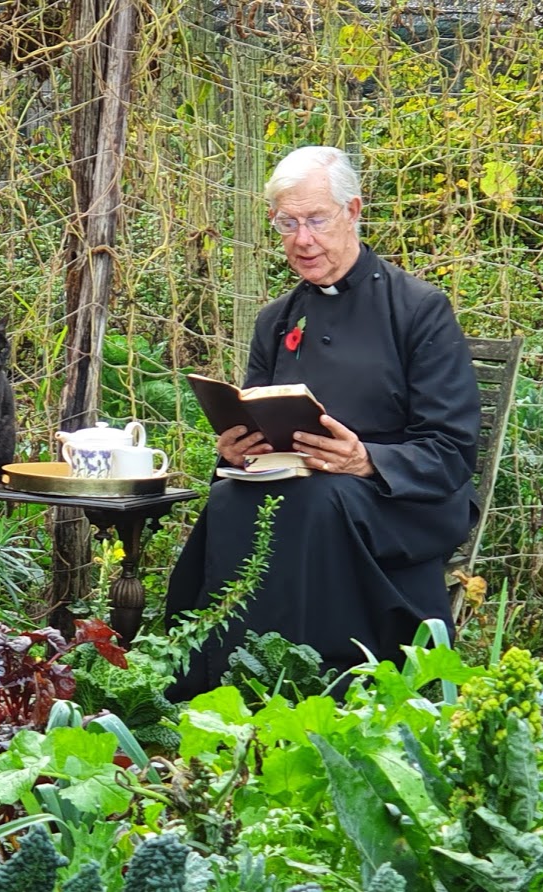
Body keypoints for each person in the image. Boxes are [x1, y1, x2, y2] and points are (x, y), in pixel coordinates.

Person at [164, 145, 481, 699]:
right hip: (299, 487)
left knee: (316, 501)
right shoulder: (276, 320)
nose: (302, 240)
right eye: (288, 223)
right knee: (230, 499)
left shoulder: (419, 310)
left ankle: (318, 684)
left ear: (353, 212)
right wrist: (238, 450)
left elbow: (451, 449)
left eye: (316, 220)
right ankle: (223, 681)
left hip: (402, 500)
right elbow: (257, 415)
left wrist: (365, 460)